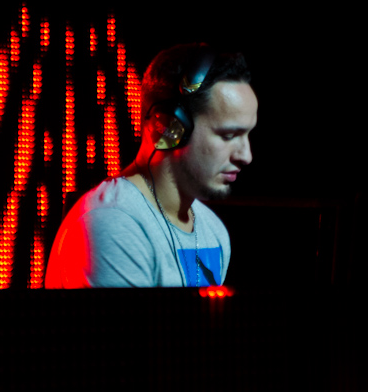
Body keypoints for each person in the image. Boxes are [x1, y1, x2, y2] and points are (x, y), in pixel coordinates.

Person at [45, 43, 257, 288]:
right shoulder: (114, 223)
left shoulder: (213, 231)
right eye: (228, 135)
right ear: (169, 127)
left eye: (247, 135)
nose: (246, 156)